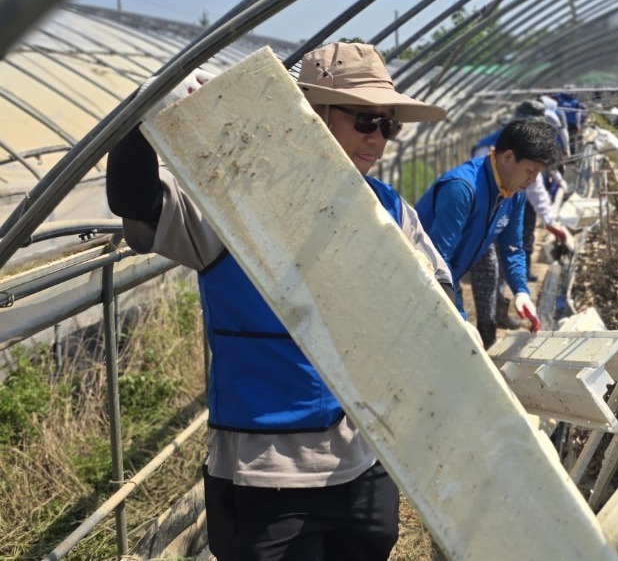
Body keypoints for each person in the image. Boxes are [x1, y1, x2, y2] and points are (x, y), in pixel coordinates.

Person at [106, 42, 454, 560]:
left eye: (388, 126)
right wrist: (148, 105)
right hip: (267, 476)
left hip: (361, 460)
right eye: (365, 121)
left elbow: (440, 297)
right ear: (311, 114)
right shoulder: (232, 207)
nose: (378, 141)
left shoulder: (386, 210)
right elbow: (134, 199)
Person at [416, 119, 560, 348]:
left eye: (537, 174)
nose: (532, 181)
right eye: (530, 171)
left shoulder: (514, 192)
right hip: (417, 275)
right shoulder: (462, 189)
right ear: (508, 157)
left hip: (451, 267)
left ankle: (487, 332)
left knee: (489, 272)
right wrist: (461, 317)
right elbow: (437, 262)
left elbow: (513, 247)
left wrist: (521, 291)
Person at [468, 102, 569, 338]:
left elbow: (534, 187)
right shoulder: (494, 149)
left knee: (503, 263)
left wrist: (549, 219)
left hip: (500, 211)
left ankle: (494, 318)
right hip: (479, 219)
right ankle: (484, 325)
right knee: (489, 269)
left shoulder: (523, 168)